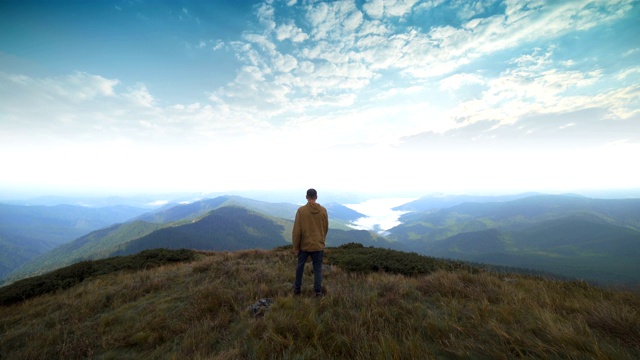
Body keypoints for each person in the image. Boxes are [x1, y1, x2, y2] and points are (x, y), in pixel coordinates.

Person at [292, 188, 329, 297]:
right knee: (317, 269)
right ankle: (318, 291)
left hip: (304, 245)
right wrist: (321, 240)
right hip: (318, 245)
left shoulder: (301, 211)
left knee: (300, 266)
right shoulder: (323, 211)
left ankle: (297, 289)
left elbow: (297, 231)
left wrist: (296, 246)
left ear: (306, 197)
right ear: (316, 197)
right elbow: (325, 228)